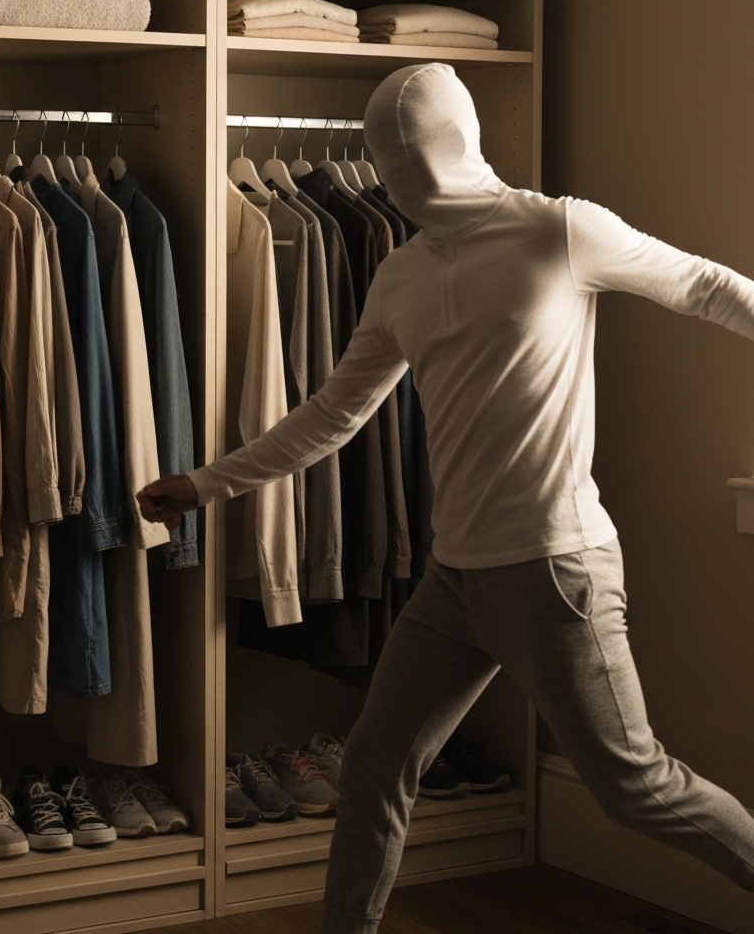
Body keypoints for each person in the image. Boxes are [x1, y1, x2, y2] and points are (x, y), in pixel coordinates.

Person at [138, 63, 754, 932]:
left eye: (413, 155)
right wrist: (206, 484)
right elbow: (332, 416)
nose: (405, 177)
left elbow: (705, 285)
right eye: (391, 162)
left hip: (555, 573)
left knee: (634, 785)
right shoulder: (400, 276)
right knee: (372, 772)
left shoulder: (560, 231)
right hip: (454, 583)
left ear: (457, 143)